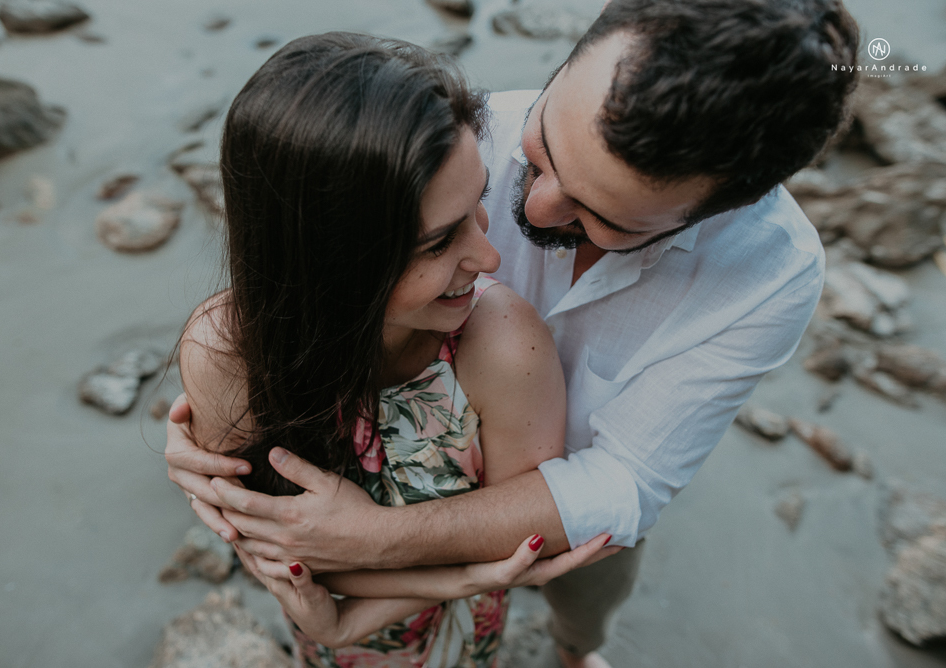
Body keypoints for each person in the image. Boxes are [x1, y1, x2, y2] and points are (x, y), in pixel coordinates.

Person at [167, 1, 860, 666]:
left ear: (713, 212)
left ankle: (574, 647)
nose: (530, 205)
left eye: (601, 213)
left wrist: (377, 540)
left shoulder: (770, 274)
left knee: (588, 592)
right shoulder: (456, 140)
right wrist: (213, 437)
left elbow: (625, 482)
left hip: (574, 494)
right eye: (545, 146)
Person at [176, 32, 613, 668]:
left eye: (478, 203)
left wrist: (357, 614)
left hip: (460, 630)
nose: (489, 258)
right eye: (438, 243)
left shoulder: (504, 344)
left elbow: (518, 545)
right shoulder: (225, 353)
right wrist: (345, 621)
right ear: (324, 262)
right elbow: (279, 555)